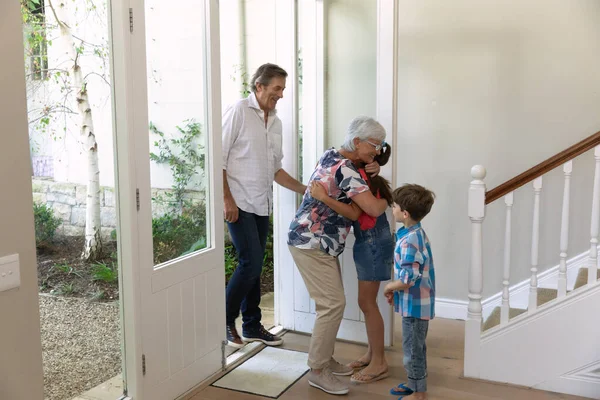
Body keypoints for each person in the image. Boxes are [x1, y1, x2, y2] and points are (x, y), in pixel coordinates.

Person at [288, 116, 389, 395]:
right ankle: (317, 370)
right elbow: (372, 209)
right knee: (332, 305)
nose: (377, 151)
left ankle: (325, 360)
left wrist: (374, 166)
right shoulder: (347, 170)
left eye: (381, 146)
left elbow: (355, 211)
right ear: (357, 142)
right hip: (311, 242)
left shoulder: (331, 154)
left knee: (332, 304)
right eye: (374, 145)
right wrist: (389, 199)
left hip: (317, 241)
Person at [222, 63, 306, 348]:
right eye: (277, 88)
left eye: (282, 89)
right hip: (239, 202)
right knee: (251, 263)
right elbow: (218, 160)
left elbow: (275, 169)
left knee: (254, 266)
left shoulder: (276, 123)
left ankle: (251, 325)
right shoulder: (239, 112)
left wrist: (305, 189)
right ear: (259, 86)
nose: (281, 94)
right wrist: (226, 199)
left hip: (261, 203)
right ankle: (224, 320)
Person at [309, 143, 394, 384]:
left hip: (374, 243)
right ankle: (372, 353)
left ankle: (379, 362)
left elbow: (368, 210)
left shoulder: (366, 181)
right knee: (366, 302)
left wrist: (323, 197)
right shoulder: (364, 177)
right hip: (368, 243)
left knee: (367, 303)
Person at [384, 184, 436, 400]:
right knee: (415, 348)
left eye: (394, 206)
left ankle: (419, 394)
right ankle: (415, 383)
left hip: (415, 308)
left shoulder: (409, 241)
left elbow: (407, 279)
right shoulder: (415, 232)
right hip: (417, 304)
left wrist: (389, 286)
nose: (392, 208)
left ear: (404, 213)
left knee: (412, 352)